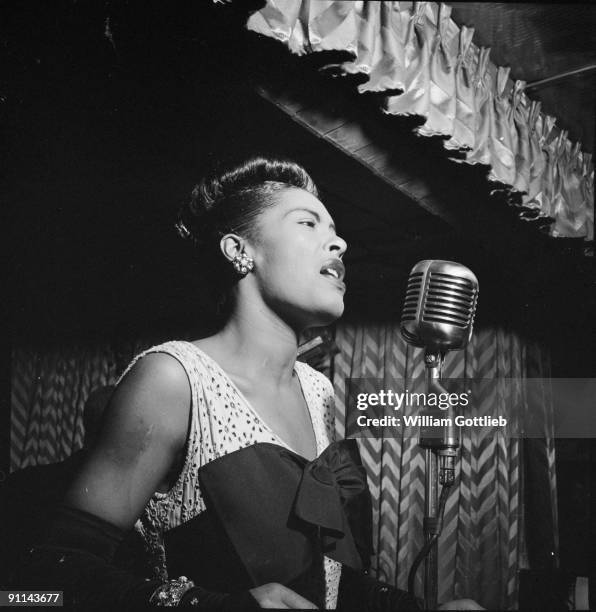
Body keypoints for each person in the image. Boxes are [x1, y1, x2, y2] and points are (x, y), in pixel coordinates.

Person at [14, 156, 482, 610]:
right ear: (240, 251)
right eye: (308, 224)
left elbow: (326, 579)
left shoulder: (319, 391)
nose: (339, 245)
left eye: (337, 233)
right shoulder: (174, 378)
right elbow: (53, 574)